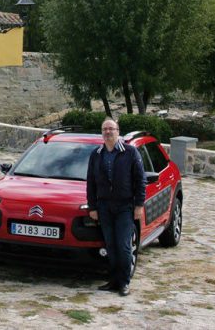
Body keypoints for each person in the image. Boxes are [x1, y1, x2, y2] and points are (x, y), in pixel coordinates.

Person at [86, 118, 145, 296]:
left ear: (118, 131)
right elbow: (91, 183)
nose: (108, 132)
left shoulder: (130, 152)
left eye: (111, 129)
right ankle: (113, 281)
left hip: (125, 206)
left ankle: (124, 283)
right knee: (110, 246)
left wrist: (139, 205)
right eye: (105, 129)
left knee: (124, 246)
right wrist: (93, 207)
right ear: (102, 133)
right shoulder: (96, 154)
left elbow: (140, 181)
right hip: (104, 207)